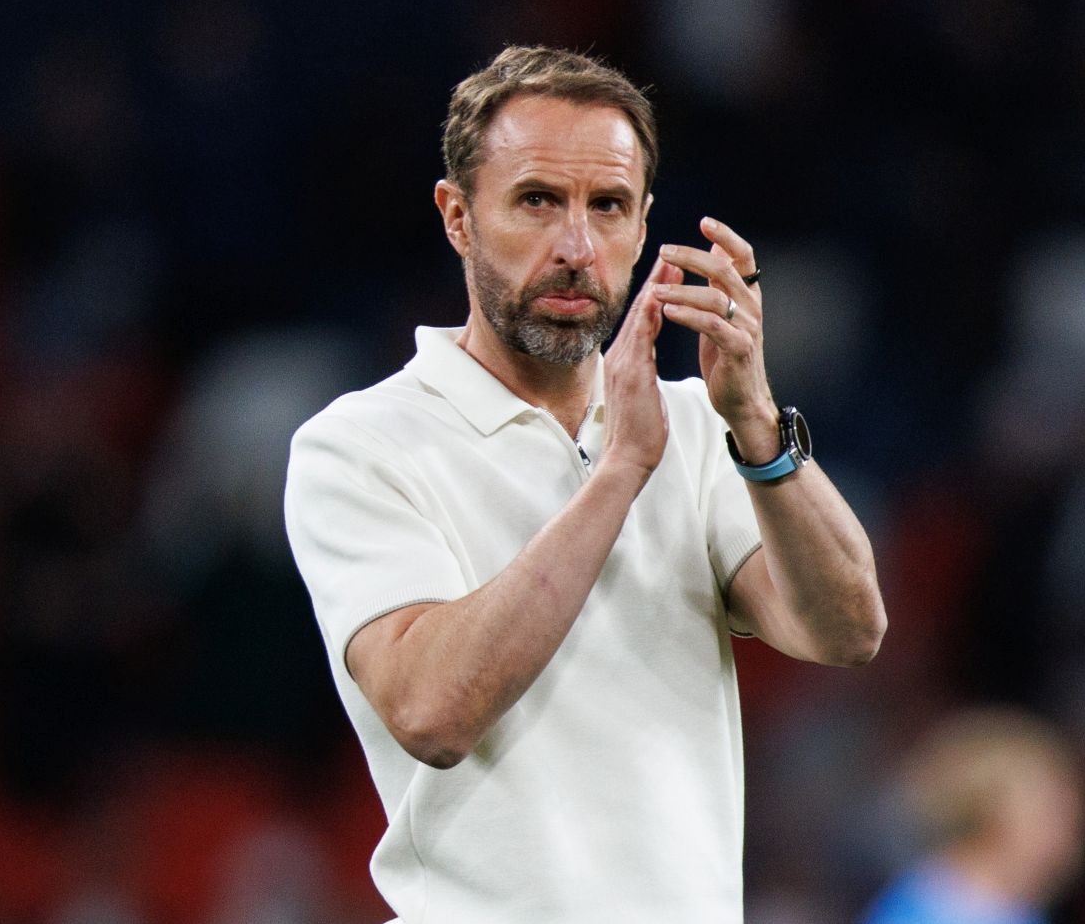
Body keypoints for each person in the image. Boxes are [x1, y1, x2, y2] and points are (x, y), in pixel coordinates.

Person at [284, 45, 887, 924]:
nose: (575, 246)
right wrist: (619, 474)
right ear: (457, 216)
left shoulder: (698, 427)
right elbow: (431, 710)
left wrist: (756, 424)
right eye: (537, 201)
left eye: (606, 207)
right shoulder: (359, 445)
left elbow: (848, 627)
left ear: (644, 226)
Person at [857, 707, 1085, 924]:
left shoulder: (1016, 911)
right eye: (1050, 811)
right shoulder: (918, 914)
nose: (1073, 828)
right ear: (992, 817)